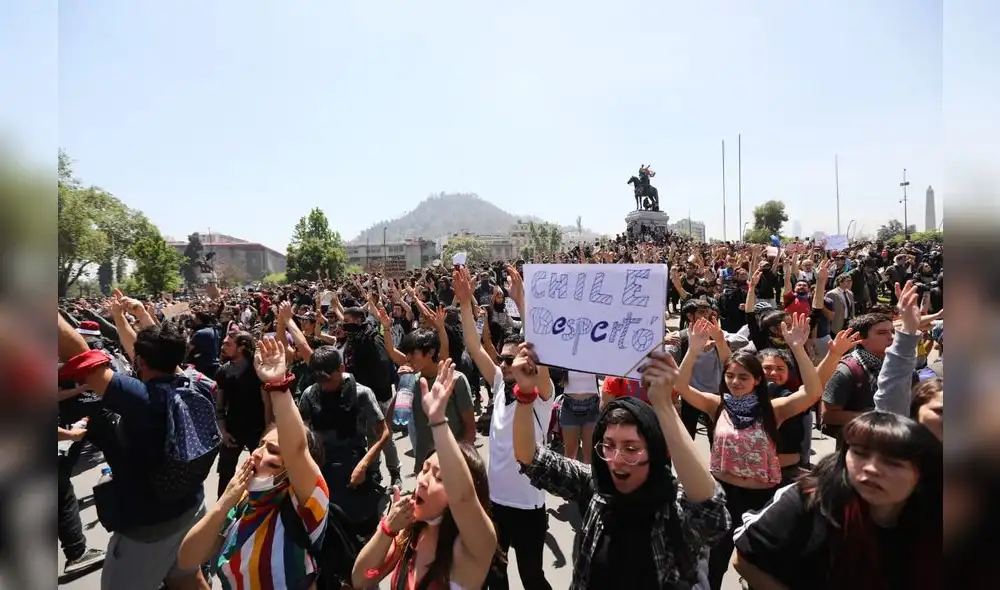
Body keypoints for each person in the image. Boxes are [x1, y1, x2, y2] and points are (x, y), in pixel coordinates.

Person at [513, 342, 730, 589]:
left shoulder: (673, 507)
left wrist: (663, 404)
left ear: (654, 451)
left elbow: (712, 514)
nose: (616, 459)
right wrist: (525, 393)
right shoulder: (596, 486)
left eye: (631, 448)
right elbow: (530, 458)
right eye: (608, 445)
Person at [675, 315, 825, 589]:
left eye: (743, 377)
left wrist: (797, 348)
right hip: (721, 496)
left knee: (761, 567)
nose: (735, 381)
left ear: (757, 380)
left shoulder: (773, 410)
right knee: (713, 566)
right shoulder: (716, 405)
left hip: (763, 500)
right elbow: (682, 388)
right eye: (730, 376)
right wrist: (693, 350)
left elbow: (813, 392)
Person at [177, 337, 331, 589]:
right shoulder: (244, 501)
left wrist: (278, 385)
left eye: (272, 450)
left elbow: (296, 449)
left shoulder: (305, 504)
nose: (258, 453)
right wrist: (225, 502)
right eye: (261, 444)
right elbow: (187, 558)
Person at [732, 412, 942, 589]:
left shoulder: (940, 515)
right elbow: (745, 561)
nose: (871, 468)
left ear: (923, 473)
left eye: (892, 462)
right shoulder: (809, 499)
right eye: (859, 453)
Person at [351, 359, 499, 589]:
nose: (422, 481)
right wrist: (387, 530)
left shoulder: (473, 547)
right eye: (425, 469)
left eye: (439, 478)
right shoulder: (408, 533)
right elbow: (363, 578)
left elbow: (463, 498)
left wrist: (438, 420)